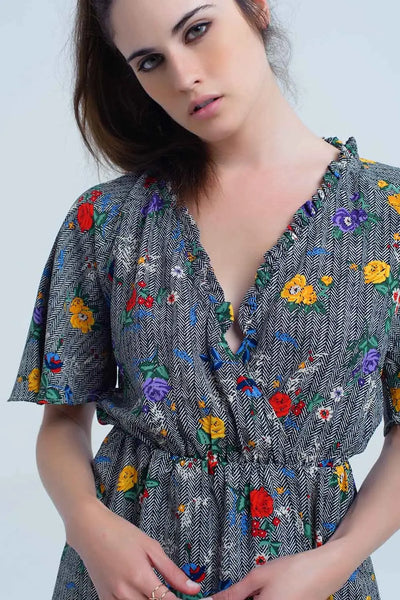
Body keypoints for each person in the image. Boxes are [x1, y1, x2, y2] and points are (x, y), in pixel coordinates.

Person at [7, 1, 400, 599]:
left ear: (257, 8)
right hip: (124, 582)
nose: (184, 75)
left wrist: (338, 559)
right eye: (149, 61)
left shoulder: (388, 214)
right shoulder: (104, 220)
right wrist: (88, 526)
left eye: (197, 30)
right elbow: (61, 420)